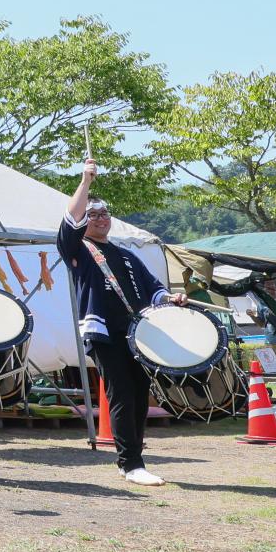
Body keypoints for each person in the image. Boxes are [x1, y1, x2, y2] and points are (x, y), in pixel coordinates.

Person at [58, 157, 171, 488]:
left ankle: (132, 460)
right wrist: (85, 182)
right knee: (121, 391)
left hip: (134, 334)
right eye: (92, 214)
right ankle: (131, 462)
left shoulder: (126, 255)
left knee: (139, 391)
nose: (100, 219)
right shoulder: (79, 249)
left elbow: (154, 289)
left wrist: (170, 299)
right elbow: (69, 219)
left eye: (105, 213)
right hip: (103, 332)